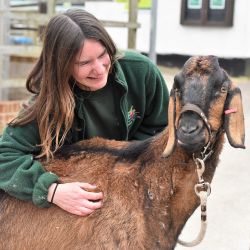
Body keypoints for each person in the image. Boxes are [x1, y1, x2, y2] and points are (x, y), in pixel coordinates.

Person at [0, 9, 169, 216]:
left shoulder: (141, 72)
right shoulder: (47, 104)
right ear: (62, 66)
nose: (99, 69)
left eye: (102, 55)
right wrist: (52, 191)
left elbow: (163, 125)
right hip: (79, 199)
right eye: (85, 63)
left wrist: (126, 159)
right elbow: (4, 156)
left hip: (132, 182)